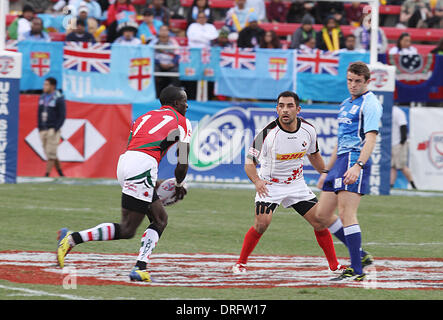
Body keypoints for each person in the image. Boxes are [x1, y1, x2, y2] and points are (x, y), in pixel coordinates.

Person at [56, 86, 192, 282]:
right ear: (176, 103)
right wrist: (179, 184)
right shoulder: (183, 122)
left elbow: (141, 145)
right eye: (184, 100)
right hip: (143, 166)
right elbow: (183, 162)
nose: (187, 104)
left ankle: (141, 266)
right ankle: (71, 239)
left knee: (160, 218)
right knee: (128, 229)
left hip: (126, 162)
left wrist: (151, 182)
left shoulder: (145, 117)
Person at [232, 91, 344, 275]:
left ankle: (334, 265)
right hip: (270, 185)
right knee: (262, 223)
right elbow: (249, 163)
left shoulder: (308, 130)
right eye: (281, 106)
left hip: (296, 185)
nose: (285, 110)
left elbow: (314, 155)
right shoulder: (266, 134)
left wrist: (325, 175)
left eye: (289, 106)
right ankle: (240, 263)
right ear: (276, 109)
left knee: (320, 222)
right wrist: (257, 181)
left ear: (298, 109)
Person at [315, 62, 382, 281]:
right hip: (341, 160)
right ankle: (359, 254)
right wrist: (326, 170)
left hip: (355, 159)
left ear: (367, 81)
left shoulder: (370, 104)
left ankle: (357, 269)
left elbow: (371, 138)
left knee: (346, 214)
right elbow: (339, 141)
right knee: (322, 215)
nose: (353, 85)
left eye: (358, 81)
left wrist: (358, 165)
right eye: (350, 80)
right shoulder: (345, 104)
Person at [38, 77, 66, 178]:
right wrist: (39, 127)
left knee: (51, 153)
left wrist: (55, 128)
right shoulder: (42, 97)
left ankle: (46, 175)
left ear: (52, 86)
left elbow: (62, 115)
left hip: (52, 129)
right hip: (43, 129)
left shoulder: (58, 97)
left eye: (46, 84)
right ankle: (61, 174)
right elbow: (39, 113)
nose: (44, 87)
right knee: (50, 153)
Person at [150, 25, 181, 98]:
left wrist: (172, 63)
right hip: (158, 63)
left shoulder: (173, 41)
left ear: (168, 32)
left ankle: (176, 97)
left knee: (176, 72)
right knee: (154, 71)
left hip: (171, 64)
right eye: (162, 30)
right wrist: (159, 63)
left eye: (165, 30)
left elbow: (178, 54)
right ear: (159, 32)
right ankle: (155, 96)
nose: (164, 32)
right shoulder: (154, 42)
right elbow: (149, 54)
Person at [391, 106, 417, 190]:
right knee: (392, 166)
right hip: (392, 143)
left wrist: (402, 141)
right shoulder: (390, 111)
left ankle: (413, 185)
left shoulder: (397, 111)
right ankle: (390, 186)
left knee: (402, 166)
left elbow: (403, 127)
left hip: (398, 143)